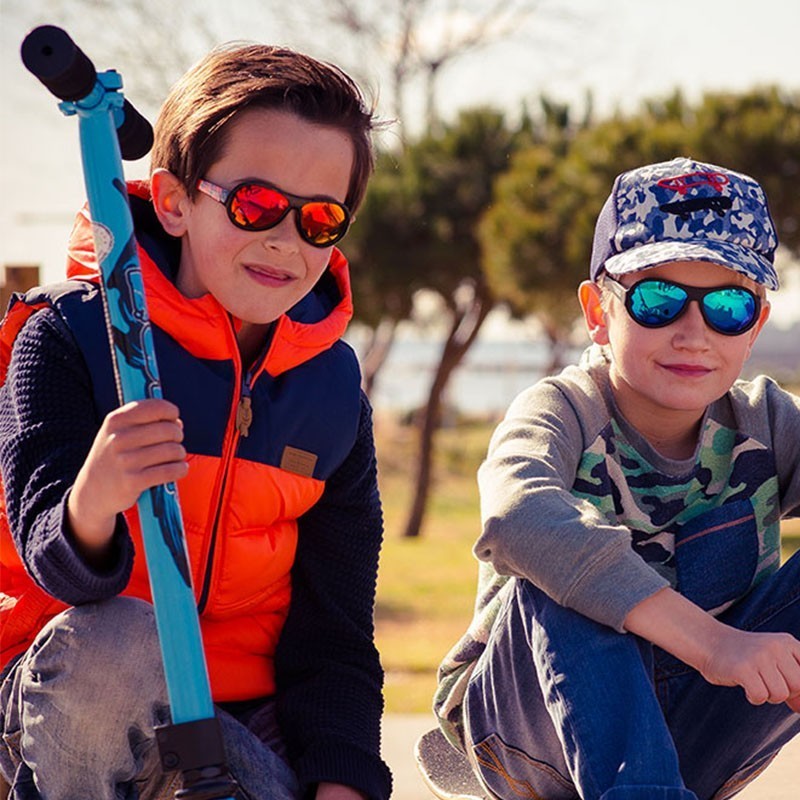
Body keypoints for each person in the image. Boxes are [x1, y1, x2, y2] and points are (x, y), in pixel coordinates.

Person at [0, 41, 392, 800]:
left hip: (235, 725)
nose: (285, 239)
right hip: (63, 712)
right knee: (117, 640)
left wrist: (343, 777)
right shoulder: (74, 339)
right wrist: (95, 499)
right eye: (254, 204)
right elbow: (47, 564)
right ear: (175, 201)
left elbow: (335, 634)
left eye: (319, 218)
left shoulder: (332, 393)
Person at [433, 157, 800, 800]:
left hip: (698, 733)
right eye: (657, 300)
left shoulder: (766, 420)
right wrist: (715, 645)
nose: (694, 333)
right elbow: (516, 517)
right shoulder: (564, 411)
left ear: (756, 325)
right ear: (598, 312)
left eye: (729, 305)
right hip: (527, 736)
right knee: (555, 566)